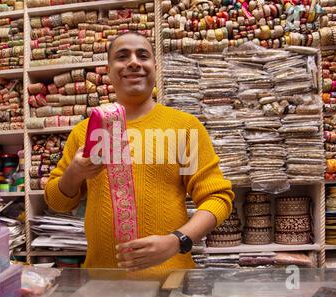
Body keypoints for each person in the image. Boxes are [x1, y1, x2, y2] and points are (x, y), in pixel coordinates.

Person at [44, 32, 234, 277]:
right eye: (122, 57)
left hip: (170, 280)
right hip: (103, 282)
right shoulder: (86, 131)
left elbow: (217, 198)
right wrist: (74, 174)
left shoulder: (184, 127)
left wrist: (177, 241)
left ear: (154, 67)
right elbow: (58, 202)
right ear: (109, 71)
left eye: (142, 55)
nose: (133, 62)